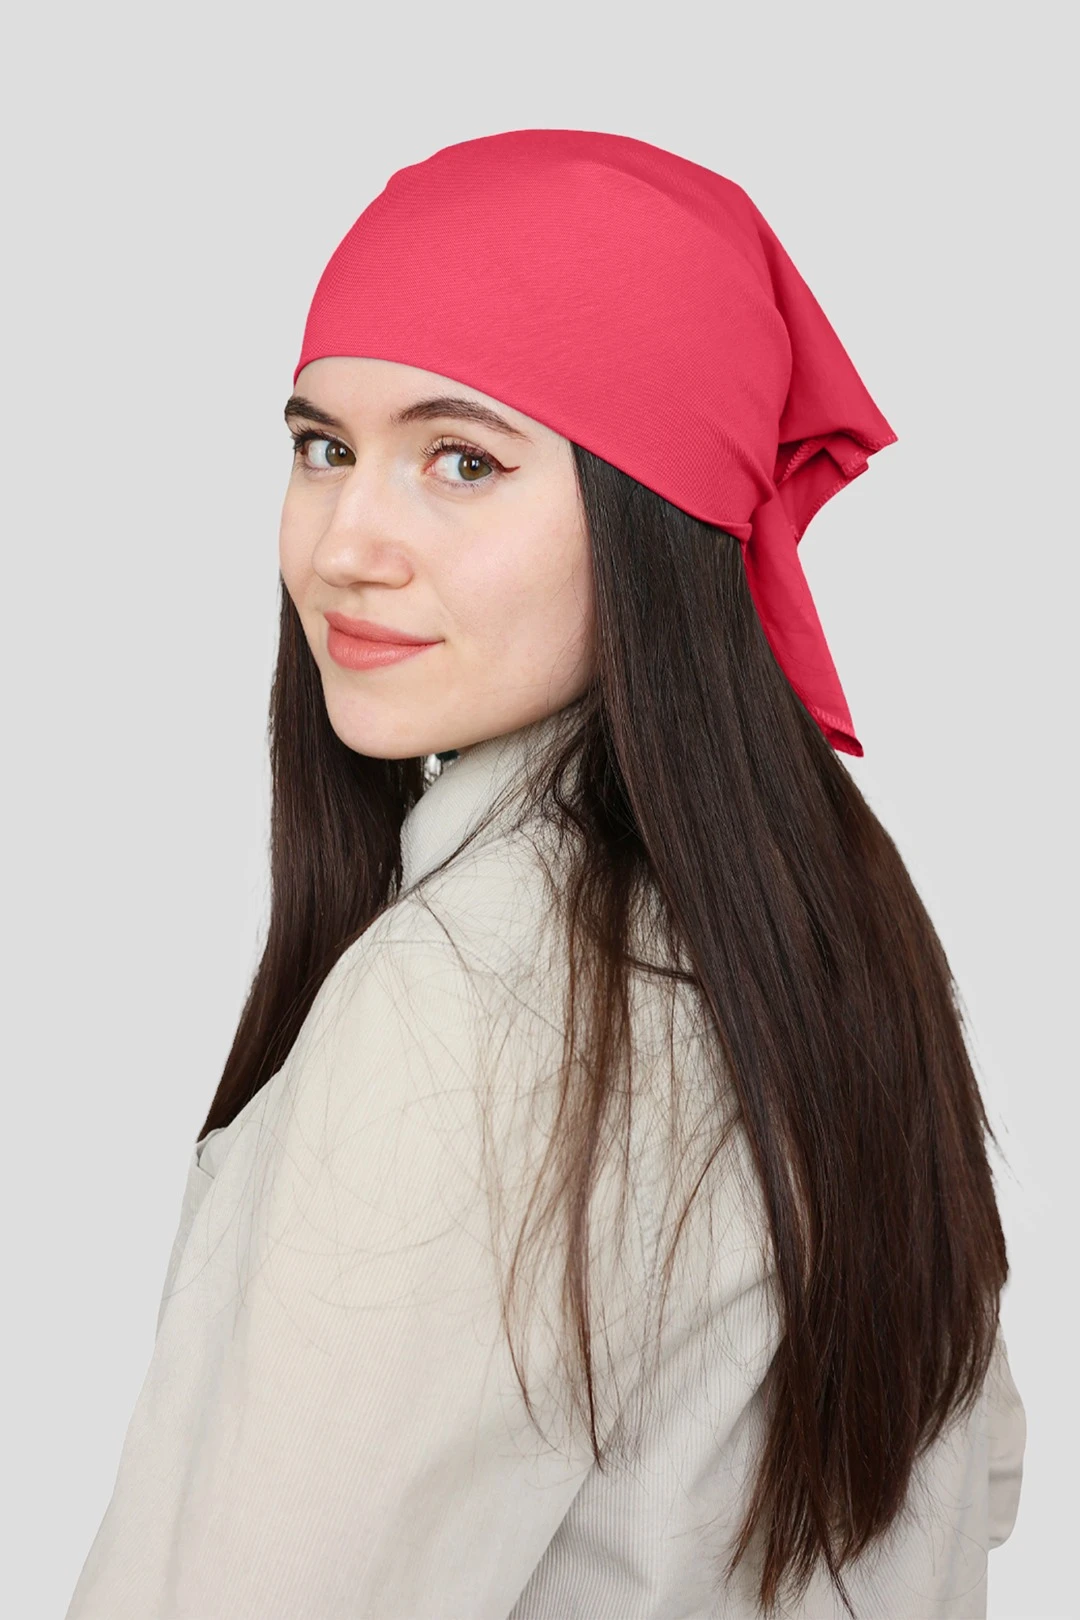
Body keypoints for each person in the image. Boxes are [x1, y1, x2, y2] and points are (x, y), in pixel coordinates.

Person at [64, 130, 1025, 1620]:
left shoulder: (469, 1005)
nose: (347, 544)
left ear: (654, 520)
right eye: (323, 448)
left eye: (462, 461)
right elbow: (978, 1489)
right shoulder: (827, 946)